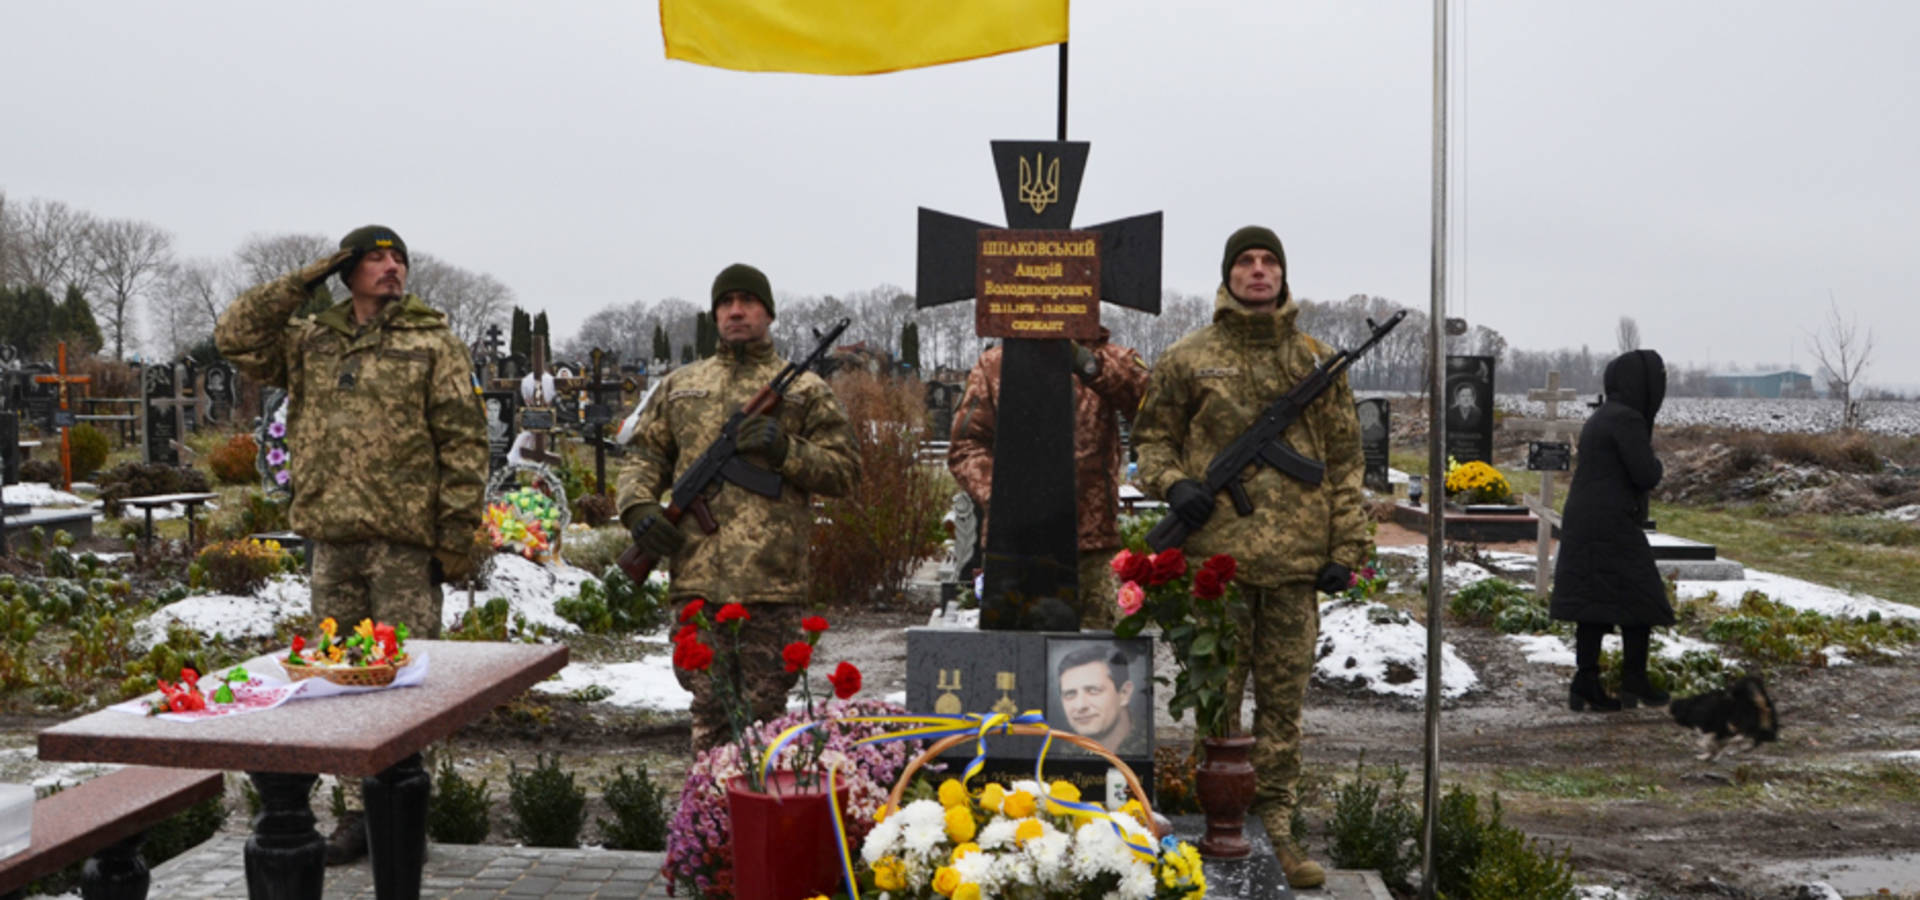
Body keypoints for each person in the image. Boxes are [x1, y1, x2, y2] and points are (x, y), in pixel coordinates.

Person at [215, 225, 488, 863]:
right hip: (333, 540)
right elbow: (235, 337)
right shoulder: (312, 340)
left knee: (403, 683)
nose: (391, 268)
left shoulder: (432, 341)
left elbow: (463, 439)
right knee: (338, 681)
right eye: (374, 258)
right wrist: (301, 281)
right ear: (346, 271)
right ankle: (358, 818)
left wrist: (454, 535)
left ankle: (398, 815)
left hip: (402, 541)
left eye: (398, 258)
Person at [1131, 225, 1371, 889]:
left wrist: (1346, 548)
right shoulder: (1187, 357)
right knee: (1218, 702)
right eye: (1246, 262)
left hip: (1297, 569)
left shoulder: (1316, 361)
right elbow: (1151, 441)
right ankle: (1218, 826)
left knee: (1283, 709)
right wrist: (1175, 484)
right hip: (1217, 568)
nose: (1258, 272)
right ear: (1229, 275)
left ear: (1283, 276)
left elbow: (1347, 462)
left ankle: (1279, 828)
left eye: (1269, 262)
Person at [616, 263, 859, 751]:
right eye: (726, 303)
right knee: (709, 715)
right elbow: (643, 456)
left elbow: (845, 471)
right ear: (715, 315)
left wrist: (785, 449)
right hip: (699, 584)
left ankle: (758, 824)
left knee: (765, 726)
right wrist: (639, 509)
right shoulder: (681, 386)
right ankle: (707, 823)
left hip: (771, 584)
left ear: (767, 313)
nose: (736, 311)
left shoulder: (805, 390)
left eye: (747, 301)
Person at [947, 328, 1149, 628]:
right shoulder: (994, 365)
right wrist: (1003, 496)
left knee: (1090, 662)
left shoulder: (1109, 360)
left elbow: (1154, 407)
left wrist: (1089, 364)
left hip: (1091, 544)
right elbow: (966, 445)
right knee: (1014, 656)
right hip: (1015, 544)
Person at [1551, 349, 1673, 711]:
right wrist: (1658, 463)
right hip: (1612, 522)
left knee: (1595, 599)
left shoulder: (1602, 415)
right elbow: (1645, 473)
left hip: (1586, 518)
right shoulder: (1627, 420)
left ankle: (1585, 679)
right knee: (1641, 597)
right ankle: (1633, 677)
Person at [1054, 643, 1149, 757]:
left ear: (1124, 693)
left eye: (1093, 690)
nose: (1080, 705)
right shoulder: (1063, 750)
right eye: (1070, 694)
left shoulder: (1148, 746)